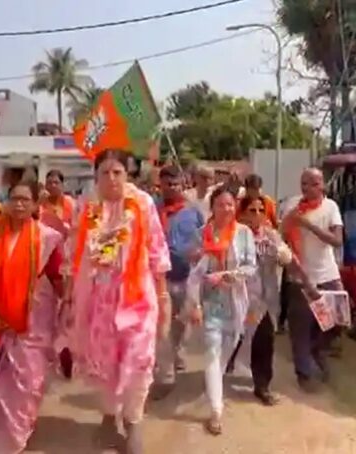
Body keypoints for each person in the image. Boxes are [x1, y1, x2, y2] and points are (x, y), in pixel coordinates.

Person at [69, 149, 171, 453]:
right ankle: (109, 415)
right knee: (104, 362)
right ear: (96, 176)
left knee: (139, 360)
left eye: (118, 172)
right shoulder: (86, 206)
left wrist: (163, 295)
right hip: (99, 300)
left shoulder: (142, 204)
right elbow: (73, 251)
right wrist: (70, 297)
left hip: (137, 297)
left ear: (128, 175)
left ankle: (134, 421)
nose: (112, 178)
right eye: (105, 173)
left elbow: (157, 249)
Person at [0, 179, 65, 454]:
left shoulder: (47, 239)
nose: (19, 204)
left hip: (35, 323)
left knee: (28, 382)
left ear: (35, 205)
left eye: (26, 199)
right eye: (14, 198)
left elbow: (59, 280)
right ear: (6, 202)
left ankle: (11, 438)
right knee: (1, 378)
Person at [230, 195, 318, 406]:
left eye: (261, 210)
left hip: (266, 299)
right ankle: (224, 364)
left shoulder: (271, 236)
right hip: (240, 297)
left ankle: (262, 385)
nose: (257, 215)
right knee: (235, 337)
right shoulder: (235, 236)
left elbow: (290, 260)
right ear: (242, 214)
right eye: (252, 210)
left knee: (264, 339)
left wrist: (307, 282)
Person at [185, 187, 256, 436]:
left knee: (227, 350)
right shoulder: (201, 234)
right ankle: (216, 410)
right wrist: (195, 304)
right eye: (221, 204)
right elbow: (193, 272)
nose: (226, 209)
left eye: (230, 204)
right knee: (212, 353)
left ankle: (214, 383)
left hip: (235, 302)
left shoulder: (244, 233)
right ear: (212, 207)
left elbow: (250, 267)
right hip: (209, 304)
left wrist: (227, 276)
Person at [280, 167, 344, 392]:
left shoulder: (331, 207)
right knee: (300, 328)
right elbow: (281, 234)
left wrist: (308, 225)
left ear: (322, 185)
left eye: (313, 183)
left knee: (336, 322)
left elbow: (337, 241)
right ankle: (304, 374)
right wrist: (291, 221)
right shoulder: (293, 206)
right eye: (304, 183)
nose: (307, 188)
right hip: (300, 276)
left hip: (328, 275)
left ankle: (317, 350)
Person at [151, 165, 205, 399]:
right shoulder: (151, 210)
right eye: (167, 184)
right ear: (160, 185)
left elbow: (204, 238)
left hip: (186, 277)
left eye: (176, 184)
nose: (172, 188)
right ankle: (166, 375)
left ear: (182, 185)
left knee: (180, 326)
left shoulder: (193, 212)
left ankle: (175, 353)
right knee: (162, 328)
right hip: (159, 279)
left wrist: (198, 253)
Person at [38, 169, 76, 238]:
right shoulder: (40, 204)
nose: (53, 185)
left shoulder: (70, 202)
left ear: (62, 185)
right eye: (49, 183)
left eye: (56, 183)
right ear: (45, 186)